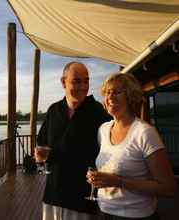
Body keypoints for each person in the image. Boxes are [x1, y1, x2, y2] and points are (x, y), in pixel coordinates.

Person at [86, 73, 177, 220]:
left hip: (136, 216)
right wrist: (98, 177)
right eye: (107, 92)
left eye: (117, 92)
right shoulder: (103, 129)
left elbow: (168, 188)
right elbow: (113, 164)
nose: (110, 96)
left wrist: (119, 182)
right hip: (103, 212)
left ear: (130, 96)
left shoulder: (145, 133)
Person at [35, 62, 111, 220]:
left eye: (86, 81)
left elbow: (113, 148)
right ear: (63, 82)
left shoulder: (98, 112)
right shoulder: (53, 110)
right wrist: (40, 156)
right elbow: (41, 144)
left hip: (82, 199)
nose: (83, 86)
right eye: (77, 81)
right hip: (53, 196)